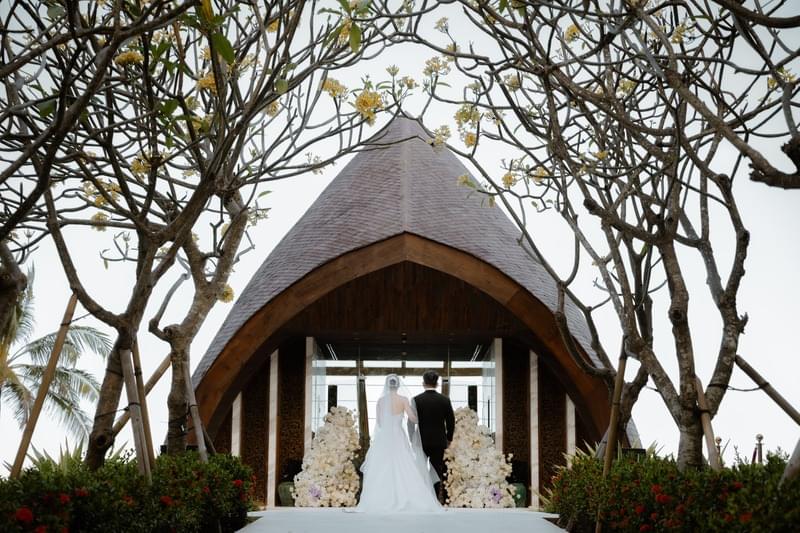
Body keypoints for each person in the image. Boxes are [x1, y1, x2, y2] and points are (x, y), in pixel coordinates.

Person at [356, 374, 442, 512]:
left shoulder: (381, 401)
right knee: (404, 464)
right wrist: (423, 416)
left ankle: (380, 499)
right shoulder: (403, 399)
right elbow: (413, 418)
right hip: (398, 436)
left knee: (382, 466)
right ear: (398, 385)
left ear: (387, 385)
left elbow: (379, 423)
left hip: (384, 438)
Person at [413, 370, 455, 504]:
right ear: (437, 383)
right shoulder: (444, 400)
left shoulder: (416, 400)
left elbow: (410, 422)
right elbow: (451, 421)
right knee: (436, 470)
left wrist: (411, 438)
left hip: (421, 441)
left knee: (420, 470)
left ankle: (421, 499)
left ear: (423, 383)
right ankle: (435, 500)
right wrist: (449, 438)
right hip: (439, 442)